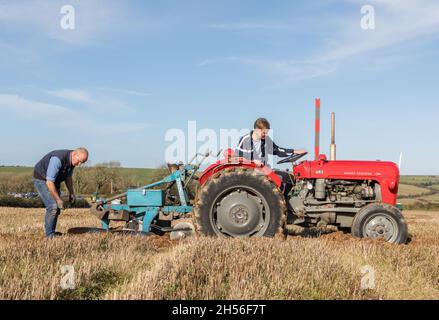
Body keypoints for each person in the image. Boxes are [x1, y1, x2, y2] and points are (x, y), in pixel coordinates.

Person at [236, 118, 306, 194]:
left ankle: (285, 200)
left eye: (267, 133)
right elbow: (238, 159)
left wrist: (294, 151)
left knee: (288, 177)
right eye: (264, 133)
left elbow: (277, 150)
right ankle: (278, 201)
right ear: (256, 130)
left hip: (262, 169)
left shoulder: (266, 140)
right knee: (279, 179)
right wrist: (252, 161)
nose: (266, 135)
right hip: (250, 172)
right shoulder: (246, 140)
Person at [33, 148, 89, 238]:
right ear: (74, 154)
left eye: (82, 163)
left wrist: (71, 193)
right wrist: (58, 199)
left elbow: (68, 178)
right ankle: (49, 235)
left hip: (54, 181)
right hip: (42, 179)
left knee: (57, 208)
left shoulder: (72, 161)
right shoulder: (57, 160)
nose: (79, 164)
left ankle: (52, 232)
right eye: (79, 161)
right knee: (53, 206)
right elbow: (49, 182)